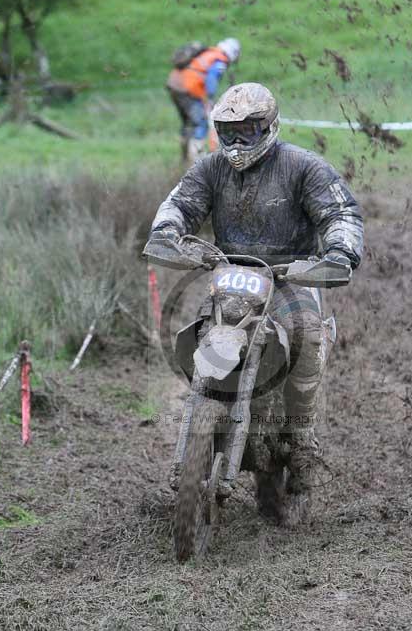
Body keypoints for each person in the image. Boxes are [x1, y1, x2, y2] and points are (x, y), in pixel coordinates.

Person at [147, 82, 364, 497]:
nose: (235, 141)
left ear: (268, 126)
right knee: (202, 334)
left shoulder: (304, 167)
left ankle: (301, 437)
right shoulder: (211, 169)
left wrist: (340, 250)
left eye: (245, 131)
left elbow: (340, 211)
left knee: (306, 334)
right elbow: (181, 202)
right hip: (230, 274)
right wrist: (168, 230)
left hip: (292, 276)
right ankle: (196, 437)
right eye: (228, 132)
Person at [166, 38, 241, 164]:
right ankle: (196, 162)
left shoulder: (208, 53)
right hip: (188, 89)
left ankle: (184, 158)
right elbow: (211, 79)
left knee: (188, 124)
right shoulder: (220, 60)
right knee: (200, 124)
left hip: (175, 85)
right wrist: (209, 98)